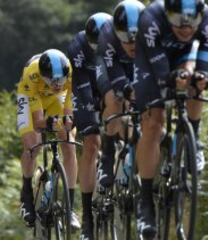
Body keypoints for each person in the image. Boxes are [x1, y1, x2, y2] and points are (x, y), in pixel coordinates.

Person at [133, 0, 208, 237]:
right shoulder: (151, 18)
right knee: (153, 122)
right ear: (167, 14)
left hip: (183, 56)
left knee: (196, 81)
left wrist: (202, 78)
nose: (185, 27)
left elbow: (204, 64)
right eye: (178, 22)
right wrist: (170, 80)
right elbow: (160, 70)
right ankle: (145, 202)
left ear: (200, 17)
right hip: (150, 62)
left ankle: (194, 136)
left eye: (191, 22)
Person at [17, 49, 80, 229]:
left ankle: (70, 208)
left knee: (69, 143)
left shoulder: (70, 72)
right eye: (53, 80)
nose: (57, 83)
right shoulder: (33, 74)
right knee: (33, 146)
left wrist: (67, 123)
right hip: (30, 96)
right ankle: (26, 194)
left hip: (53, 99)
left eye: (61, 80)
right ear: (44, 75)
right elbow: (38, 123)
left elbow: (68, 103)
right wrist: (49, 123)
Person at [67, 12, 111, 239]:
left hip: (110, 82)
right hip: (84, 87)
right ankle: (87, 217)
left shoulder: (121, 42)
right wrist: (92, 106)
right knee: (92, 142)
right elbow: (81, 88)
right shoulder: (78, 46)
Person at [95, 0, 145, 191]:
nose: (131, 43)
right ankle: (107, 154)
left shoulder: (151, 32)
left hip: (135, 63)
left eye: (135, 38)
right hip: (110, 65)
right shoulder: (108, 36)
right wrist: (125, 89)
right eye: (126, 38)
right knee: (115, 99)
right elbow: (115, 76)